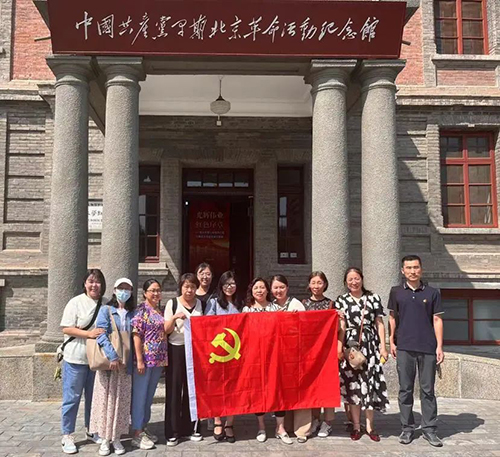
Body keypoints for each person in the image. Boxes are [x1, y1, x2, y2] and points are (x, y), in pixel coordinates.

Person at [388, 255, 444, 448]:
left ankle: (429, 429)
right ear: (402, 271)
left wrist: (439, 346)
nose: (413, 271)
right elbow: (392, 317)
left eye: (416, 267)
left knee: (428, 391)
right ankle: (407, 428)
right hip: (404, 347)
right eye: (409, 268)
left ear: (421, 269)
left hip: (427, 348)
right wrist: (391, 341)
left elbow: (437, 320)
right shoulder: (396, 292)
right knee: (405, 390)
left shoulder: (432, 292)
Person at [334, 267, 389, 442]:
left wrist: (383, 347)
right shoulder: (341, 300)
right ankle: (356, 426)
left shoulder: (373, 298)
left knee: (369, 384)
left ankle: (370, 426)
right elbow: (341, 327)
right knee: (353, 386)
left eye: (356, 278)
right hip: (351, 347)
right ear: (345, 282)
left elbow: (379, 323)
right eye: (350, 279)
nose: (354, 282)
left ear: (362, 279)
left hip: (370, 345)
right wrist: (340, 347)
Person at [60, 269, 106, 454]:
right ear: (85, 284)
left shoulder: (105, 304)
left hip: (96, 360)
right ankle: (67, 434)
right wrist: (88, 333)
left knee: (94, 399)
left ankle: (92, 429)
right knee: (72, 398)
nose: (94, 285)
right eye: (90, 281)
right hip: (76, 358)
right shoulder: (76, 302)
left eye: (97, 282)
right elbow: (66, 328)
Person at [89, 278, 136, 456]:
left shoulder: (132, 313)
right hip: (109, 364)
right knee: (106, 401)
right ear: (115, 290)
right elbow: (101, 335)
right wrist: (113, 356)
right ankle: (104, 439)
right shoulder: (106, 310)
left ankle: (116, 437)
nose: (124, 291)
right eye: (121, 288)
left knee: (121, 402)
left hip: (125, 365)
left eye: (127, 288)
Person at [164, 273, 204, 446]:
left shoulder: (200, 304)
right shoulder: (172, 303)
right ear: (181, 287)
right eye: (186, 286)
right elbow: (166, 330)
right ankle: (172, 432)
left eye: (193, 287)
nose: (189, 290)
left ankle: (191, 428)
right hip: (176, 349)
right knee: (174, 389)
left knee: (192, 389)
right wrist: (174, 318)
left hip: (195, 351)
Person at [302, 271, 343, 438]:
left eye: (319, 283)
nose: (316, 286)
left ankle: (328, 422)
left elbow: (339, 329)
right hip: (309, 353)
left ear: (325, 285)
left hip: (327, 353)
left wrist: (339, 318)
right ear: (309, 284)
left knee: (327, 387)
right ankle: (315, 419)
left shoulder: (331, 304)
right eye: (313, 282)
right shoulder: (303, 304)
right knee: (312, 387)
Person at [130, 279, 168, 450]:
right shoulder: (141, 310)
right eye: (152, 290)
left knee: (148, 396)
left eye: (158, 290)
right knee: (140, 396)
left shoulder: (159, 311)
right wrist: (139, 360)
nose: (156, 293)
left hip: (157, 361)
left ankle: (144, 426)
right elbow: (136, 335)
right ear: (145, 293)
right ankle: (137, 432)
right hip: (144, 361)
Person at [205, 271, 242, 443]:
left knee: (234, 389)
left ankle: (230, 423)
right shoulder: (213, 302)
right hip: (218, 353)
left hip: (236, 353)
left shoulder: (241, 303)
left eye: (232, 284)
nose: (230, 287)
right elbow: (206, 325)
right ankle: (218, 420)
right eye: (226, 284)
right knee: (217, 388)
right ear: (221, 286)